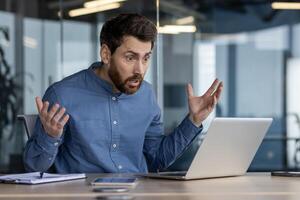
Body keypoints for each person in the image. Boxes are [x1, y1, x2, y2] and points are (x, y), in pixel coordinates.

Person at [23, 13, 223, 173]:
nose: (140, 70)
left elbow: (157, 159)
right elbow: (34, 166)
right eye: (130, 58)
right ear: (106, 54)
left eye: (146, 58)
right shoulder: (62, 95)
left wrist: (194, 120)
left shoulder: (146, 96)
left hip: (138, 193)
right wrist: (50, 136)